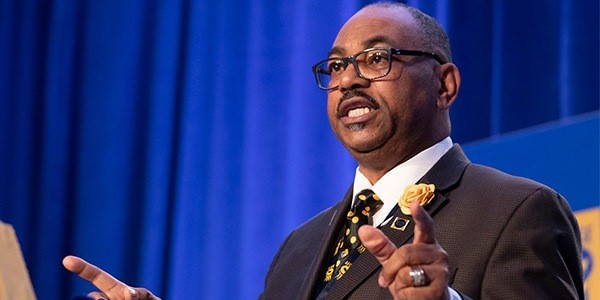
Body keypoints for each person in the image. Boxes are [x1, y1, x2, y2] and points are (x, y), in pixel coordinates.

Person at [63, 2, 584, 299]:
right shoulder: (300, 246)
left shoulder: (517, 211)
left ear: (445, 85)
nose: (350, 80)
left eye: (377, 58)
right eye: (336, 67)